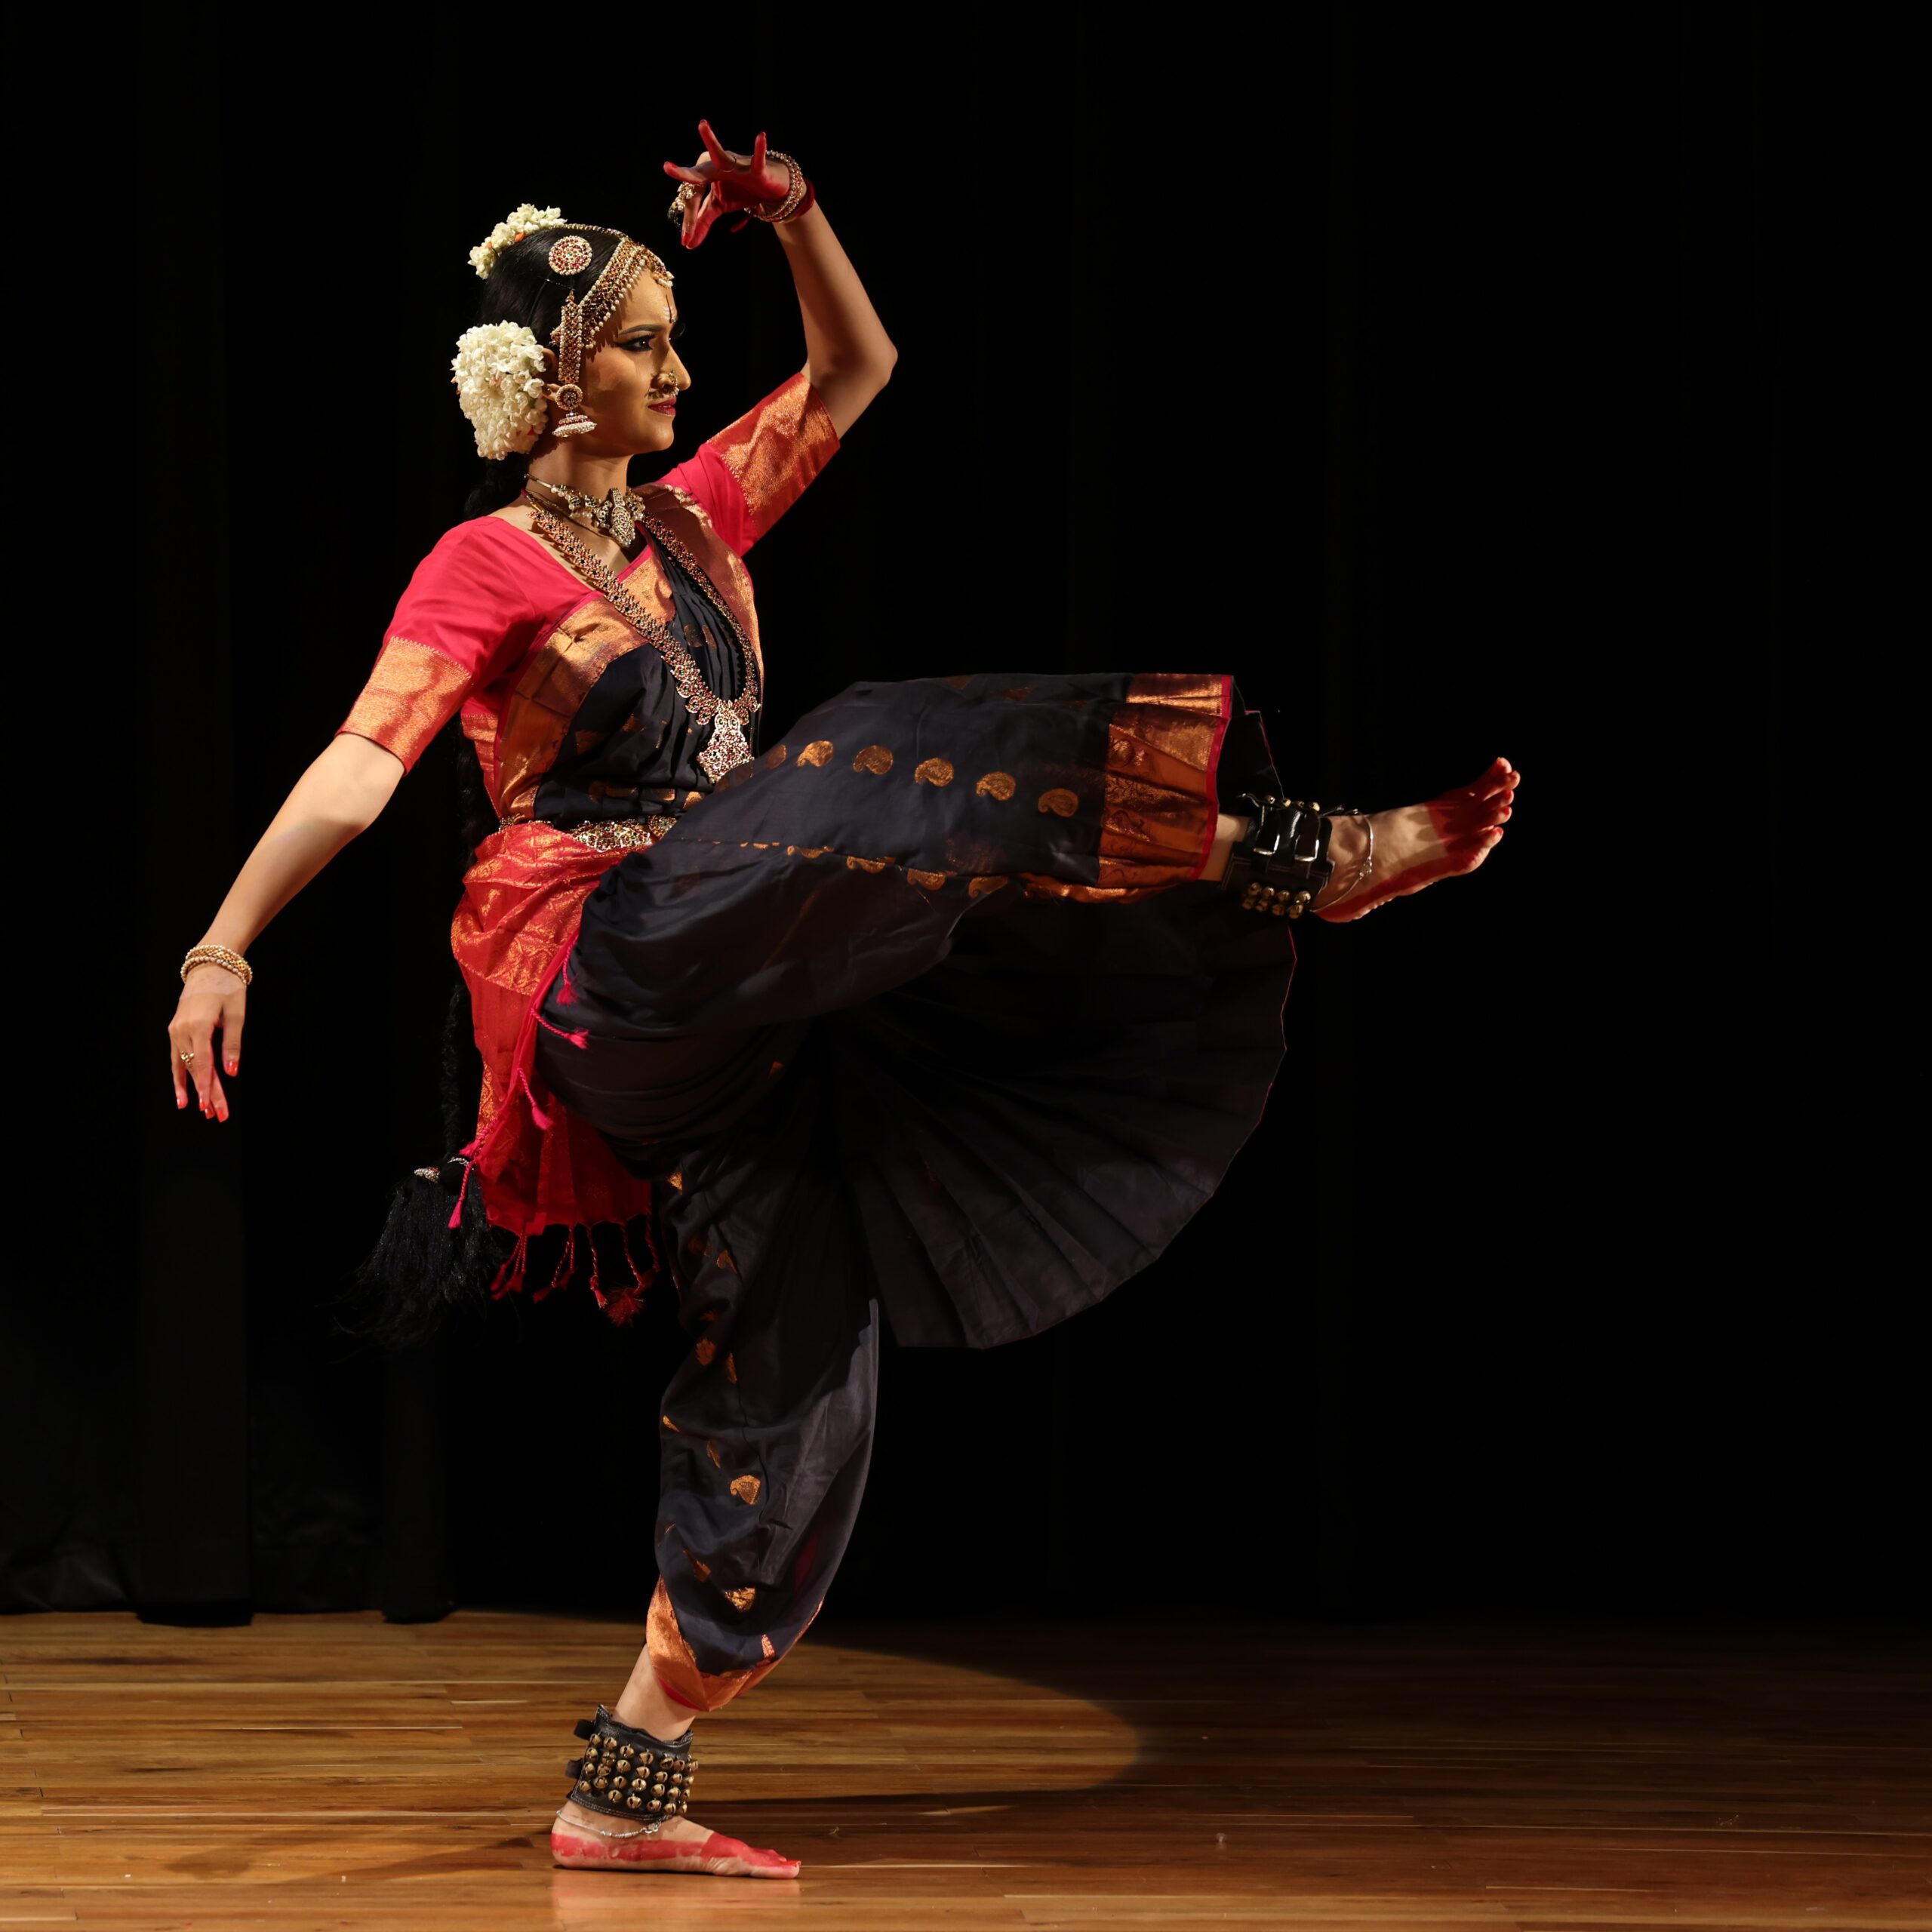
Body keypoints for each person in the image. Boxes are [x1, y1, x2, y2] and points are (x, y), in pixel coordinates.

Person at [165, 122, 1521, 1881]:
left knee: (803, 1364)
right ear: (562, 378)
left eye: (671, 336)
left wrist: (797, 215)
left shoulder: (693, 516)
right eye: (647, 342)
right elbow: (365, 757)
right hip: (610, 955)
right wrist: (222, 939)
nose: (679, 368)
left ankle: (625, 1776)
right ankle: (1285, 851)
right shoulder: (478, 565)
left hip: (755, 1003)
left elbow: (855, 367)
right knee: (862, 766)